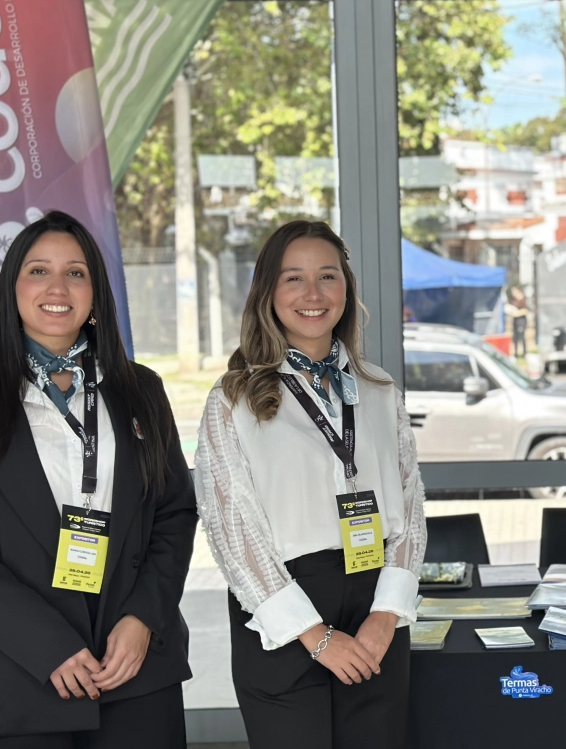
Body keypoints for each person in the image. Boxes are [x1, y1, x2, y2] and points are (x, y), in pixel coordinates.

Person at [194, 220, 426, 749]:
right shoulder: (233, 399)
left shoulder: (379, 389)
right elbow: (233, 533)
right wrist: (314, 636)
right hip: (283, 615)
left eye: (328, 276)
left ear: (347, 289)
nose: (314, 294)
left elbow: (410, 506)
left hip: (375, 604)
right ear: (267, 293)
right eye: (293, 279)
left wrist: (386, 615)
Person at [0, 212, 196, 748]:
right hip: (18, 677)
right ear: (12, 289)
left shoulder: (141, 389)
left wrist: (143, 618)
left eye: (76, 273)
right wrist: (46, 645)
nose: (57, 287)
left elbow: (174, 513)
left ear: (96, 291)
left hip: (136, 669)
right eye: (38, 271)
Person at [504, 285, 529, 359]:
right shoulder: (514, 300)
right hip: (515, 320)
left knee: (521, 337)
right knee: (515, 337)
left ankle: (524, 354)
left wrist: (517, 313)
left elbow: (526, 311)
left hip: (521, 320)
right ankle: (516, 354)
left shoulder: (523, 299)